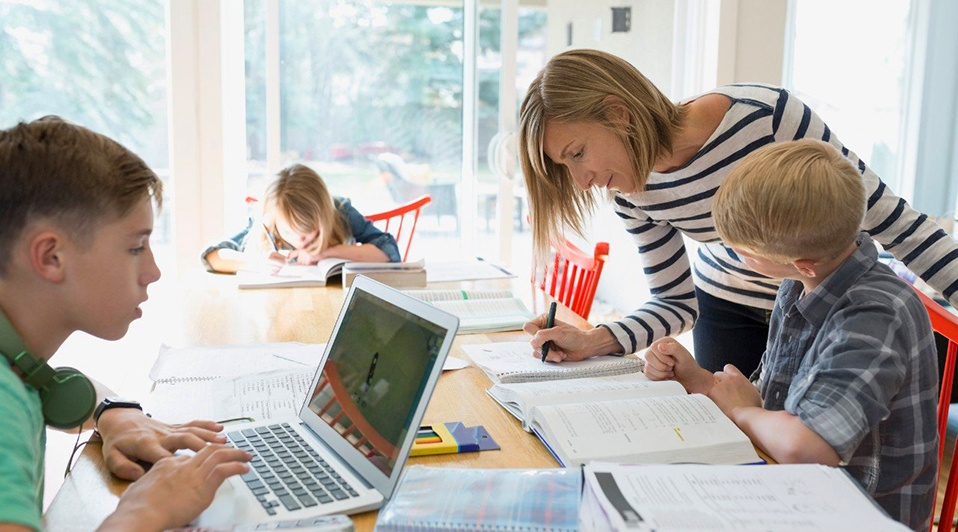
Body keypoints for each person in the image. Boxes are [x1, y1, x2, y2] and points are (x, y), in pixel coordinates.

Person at [519, 49, 958, 376]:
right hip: (726, 309)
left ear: (619, 115)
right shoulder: (632, 193)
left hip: (824, 306)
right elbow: (674, 302)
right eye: (564, 166)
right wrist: (594, 340)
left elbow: (897, 225)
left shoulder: (767, 119)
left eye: (577, 153)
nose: (581, 181)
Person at [644, 140, 938, 531]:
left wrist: (739, 411)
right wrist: (698, 380)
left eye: (743, 252)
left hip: (855, 514)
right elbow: (776, 401)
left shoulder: (873, 316)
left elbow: (809, 447)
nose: (734, 256)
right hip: (795, 489)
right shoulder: (801, 284)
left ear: (802, 263)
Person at [0, 117, 251, 532]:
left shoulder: (16, 365)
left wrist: (113, 413)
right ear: (50, 257)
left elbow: (48, 383)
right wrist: (141, 514)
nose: (152, 271)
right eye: (136, 247)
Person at [202, 164, 401, 274]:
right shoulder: (268, 217)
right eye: (288, 232)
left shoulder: (340, 211)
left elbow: (389, 251)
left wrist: (327, 252)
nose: (299, 240)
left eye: (310, 230)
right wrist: (256, 263)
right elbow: (213, 257)